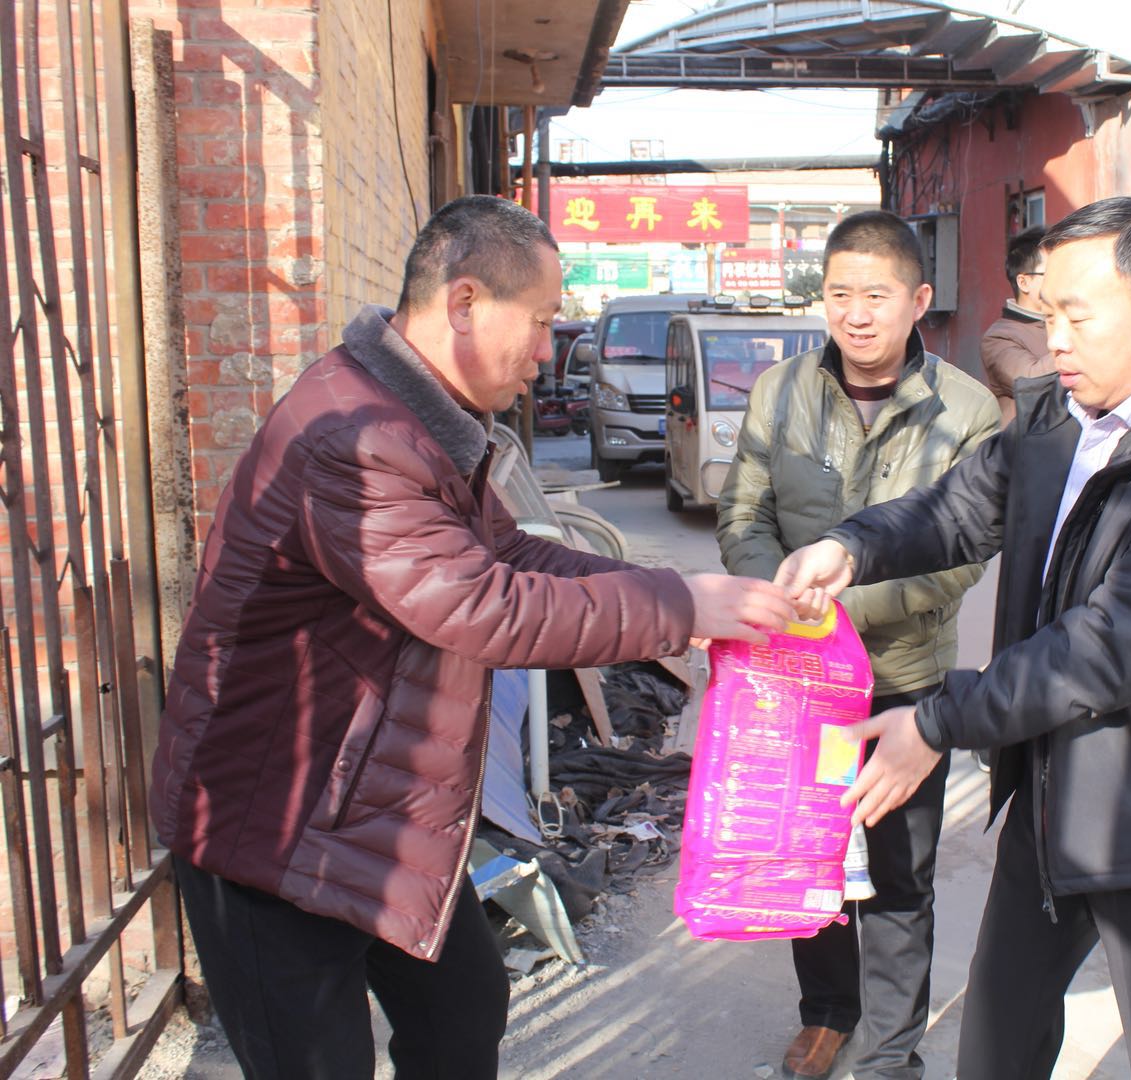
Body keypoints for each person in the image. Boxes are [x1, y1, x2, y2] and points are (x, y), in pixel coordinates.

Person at [150, 195, 794, 1080]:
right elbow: (484, 607)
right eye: (540, 322)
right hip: (272, 824)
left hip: (363, 807)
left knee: (461, 1012)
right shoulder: (355, 438)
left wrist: (679, 598)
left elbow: (505, 553)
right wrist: (680, 607)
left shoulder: (414, 419)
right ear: (463, 303)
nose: (546, 352)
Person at [776, 197, 1131, 1080]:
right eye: (1045, 313)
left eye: (1076, 317)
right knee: (999, 1038)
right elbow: (960, 508)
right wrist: (852, 546)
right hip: (1055, 781)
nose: (1053, 341)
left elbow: (1116, 643)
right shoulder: (1059, 414)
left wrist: (938, 721)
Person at [717, 209, 999, 1080]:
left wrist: (834, 613)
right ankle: (828, 1013)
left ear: (919, 299)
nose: (857, 314)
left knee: (900, 873)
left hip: (903, 683)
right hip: (796, 676)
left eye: (877, 295)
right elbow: (744, 512)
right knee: (805, 851)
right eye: (840, 294)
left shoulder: (967, 410)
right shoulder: (781, 391)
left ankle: (889, 1048)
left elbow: (961, 556)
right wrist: (777, 601)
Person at [979, 225, 1053, 427]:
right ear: (1024, 282)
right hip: (1030, 441)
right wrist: (1078, 342)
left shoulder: (1063, 323)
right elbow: (1030, 381)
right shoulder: (999, 337)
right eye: (1051, 273)